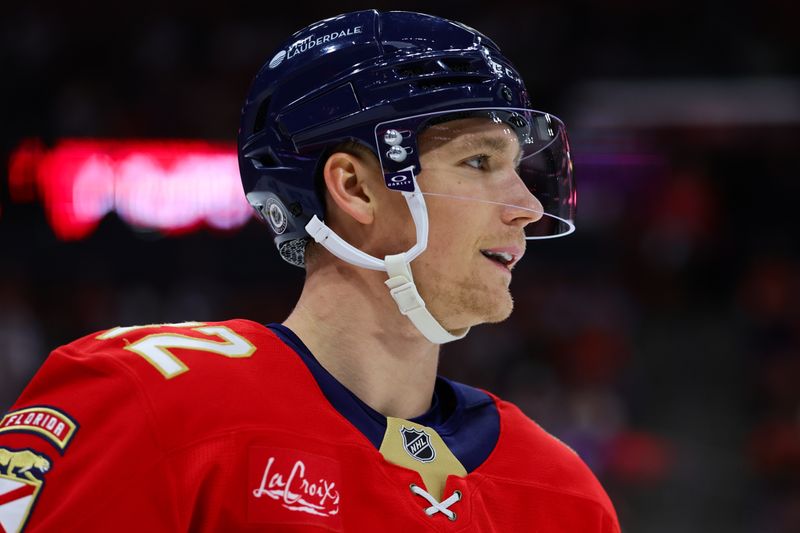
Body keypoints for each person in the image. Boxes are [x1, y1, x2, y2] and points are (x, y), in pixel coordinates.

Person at [0, 10, 620, 532]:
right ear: (353, 187)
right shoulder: (146, 404)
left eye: (518, 167)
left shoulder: (562, 494)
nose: (527, 206)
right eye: (479, 161)